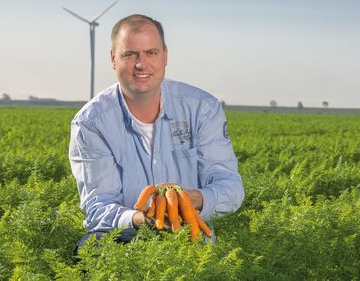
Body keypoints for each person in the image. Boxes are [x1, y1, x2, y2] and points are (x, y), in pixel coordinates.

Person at [69, 14, 244, 251]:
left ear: (165, 55)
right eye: (130, 54)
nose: (141, 64)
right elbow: (98, 207)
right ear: (113, 59)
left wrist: (193, 200)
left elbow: (230, 187)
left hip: (189, 236)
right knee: (90, 248)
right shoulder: (91, 123)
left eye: (151, 53)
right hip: (124, 240)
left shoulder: (202, 108)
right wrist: (141, 219)